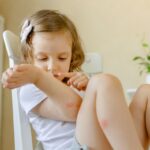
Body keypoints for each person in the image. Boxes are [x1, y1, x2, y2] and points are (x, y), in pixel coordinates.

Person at [1, 9, 148, 150]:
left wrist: (89, 87)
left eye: (62, 58)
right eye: (42, 58)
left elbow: (100, 116)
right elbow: (73, 111)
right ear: (29, 58)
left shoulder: (74, 82)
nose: (52, 66)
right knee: (104, 81)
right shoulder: (32, 87)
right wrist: (38, 76)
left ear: (71, 56)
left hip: (111, 144)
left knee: (146, 92)